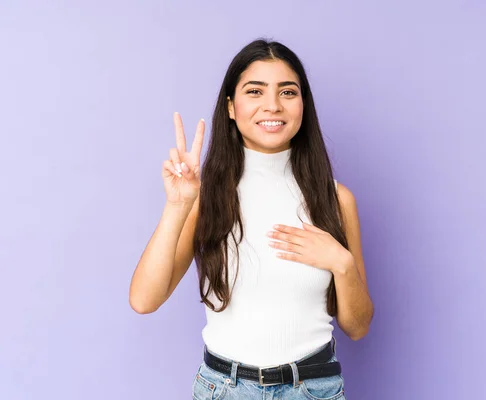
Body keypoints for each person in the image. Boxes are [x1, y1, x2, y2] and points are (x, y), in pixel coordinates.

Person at [129, 39, 374, 399]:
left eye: (287, 92)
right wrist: (178, 206)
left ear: (302, 104)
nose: (272, 105)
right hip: (225, 389)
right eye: (255, 91)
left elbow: (358, 326)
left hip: (312, 388)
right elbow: (144, 300)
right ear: (231, 107)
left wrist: (342, 263)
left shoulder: (336, 199)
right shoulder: (206, 197)